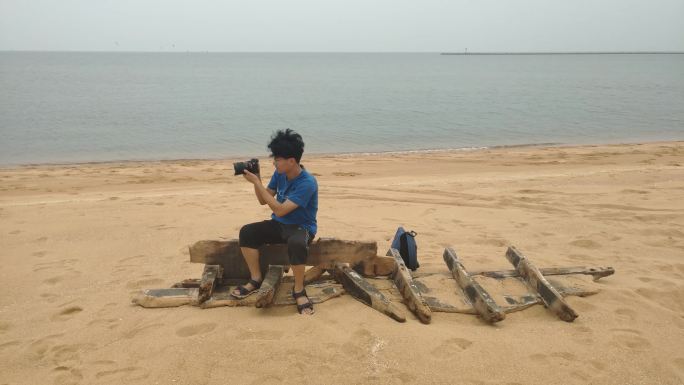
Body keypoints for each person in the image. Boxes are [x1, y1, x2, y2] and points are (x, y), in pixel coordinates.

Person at [232, 129, 318, 315]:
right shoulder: (280, 173)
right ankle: (255, 279)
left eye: (277, 159)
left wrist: (256, 182)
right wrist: (258, 181)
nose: (274, 162)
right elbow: (264, 200)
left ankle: (299, 289)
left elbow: (279, 208)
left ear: (291, 161)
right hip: (279, 224)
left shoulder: (307, 183)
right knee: (247, 232)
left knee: (296, 243)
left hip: (301, 227)